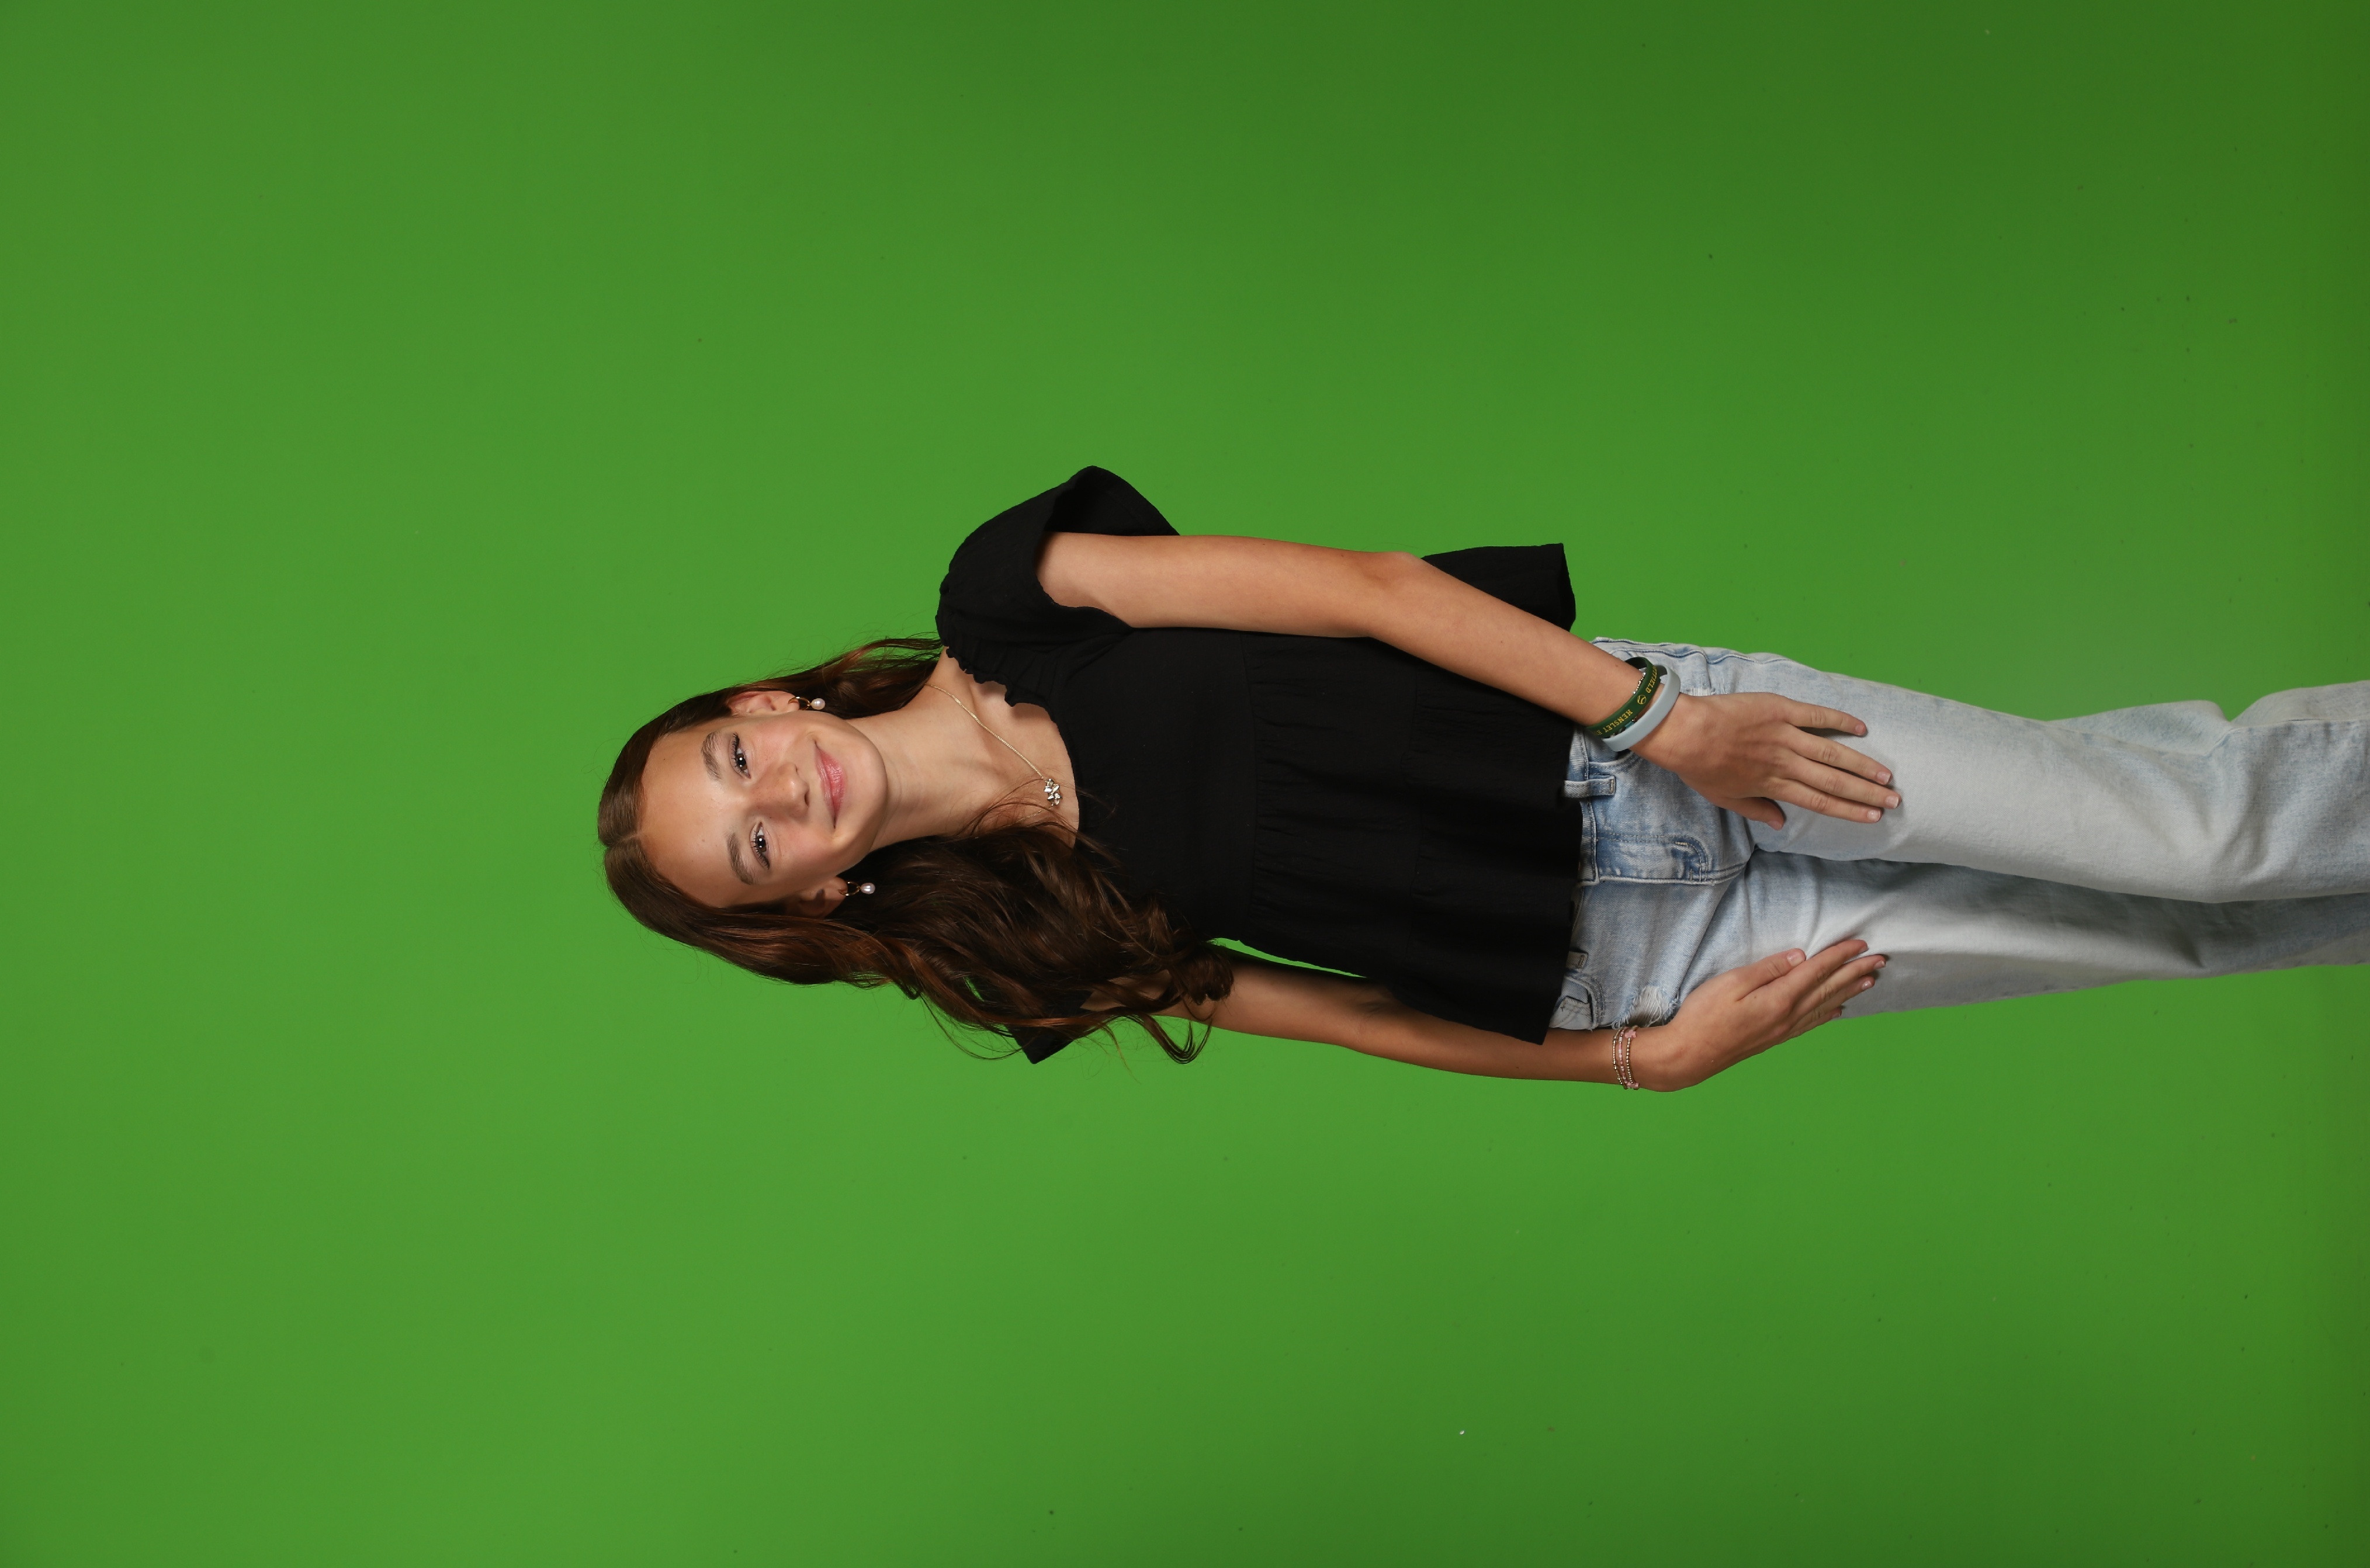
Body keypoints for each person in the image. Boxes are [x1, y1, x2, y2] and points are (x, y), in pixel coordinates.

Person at [598, 467, 2370, 1090]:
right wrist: (1639, 1063)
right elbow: (1352, 1017)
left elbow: (1368, 593)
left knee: (2200, 835)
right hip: (1632, 963)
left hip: (1656, 755)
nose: (782, 793)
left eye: (737, 757)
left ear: (763, 699)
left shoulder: (1010, 597)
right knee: (2171, 934)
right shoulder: (1015, 943)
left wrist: (1658, 722)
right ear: (806, 896)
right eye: (751, 844)